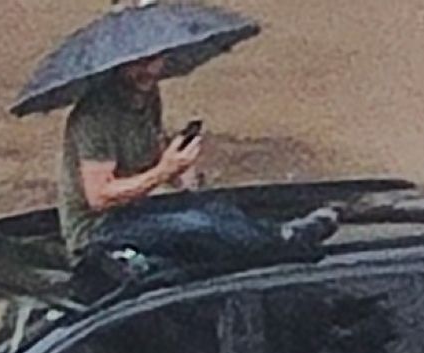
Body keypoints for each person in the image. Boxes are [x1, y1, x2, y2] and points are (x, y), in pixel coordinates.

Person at [57, 54, 335, 271]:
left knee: (216, 208)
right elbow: (99, 196)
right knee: (197, 226)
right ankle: (286, 241)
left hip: (136, 211)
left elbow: (154, 147)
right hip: (97, 232)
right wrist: (163, 171)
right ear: (118, 63)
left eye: (156, 59)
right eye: (140, 63)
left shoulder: (148, 95)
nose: (150, 70)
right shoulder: (94, 117)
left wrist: (180, 168)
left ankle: (277, 237)